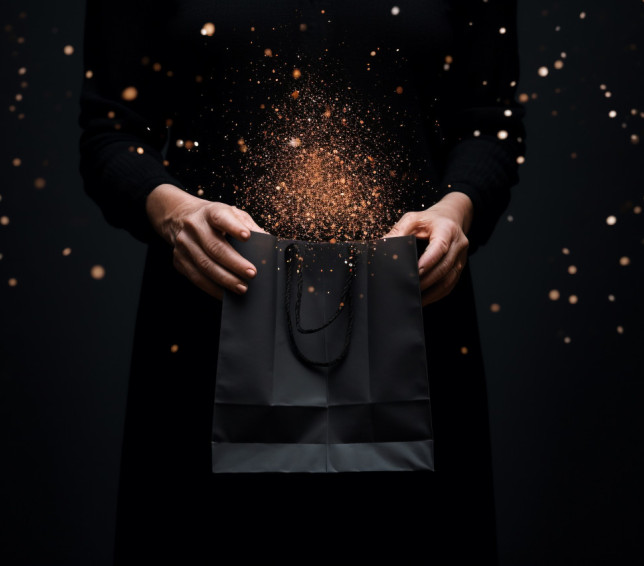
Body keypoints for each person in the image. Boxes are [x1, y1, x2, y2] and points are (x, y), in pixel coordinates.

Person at [78, 1, 525, 564]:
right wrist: (172, 212)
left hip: (412, 330)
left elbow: (489, 124)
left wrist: (457, 210)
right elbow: (110, 132)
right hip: (208, 332)